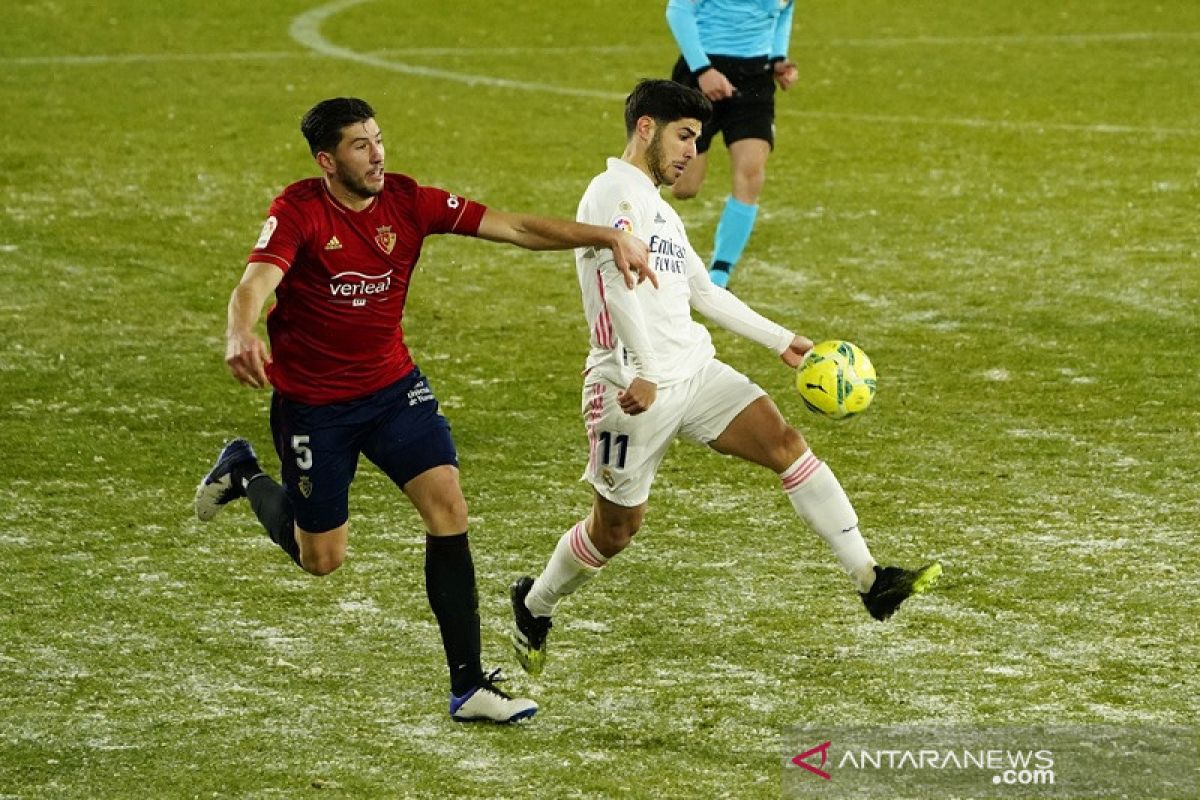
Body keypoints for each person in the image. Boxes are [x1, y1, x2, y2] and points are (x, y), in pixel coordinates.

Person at [193, 97, 656, 724]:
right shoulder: (298, 210)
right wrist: (239, 332)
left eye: (379, 139)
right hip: (315, 408)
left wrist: (608, 236)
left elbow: (515, 228)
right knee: (320, 558)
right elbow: (254, 284)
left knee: (448, 505)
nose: (378, 154)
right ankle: (245, 474)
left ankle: (469, 686)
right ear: (327, 160)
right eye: (361, 145)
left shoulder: (409, 202)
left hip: (392, 390)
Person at [509, 80, 940, 678]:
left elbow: (703, 292)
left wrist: (781, 340)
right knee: (616, 531)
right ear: (645, 128)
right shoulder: (614, 192)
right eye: (684, 136)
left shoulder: (661, 211)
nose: (691, 152)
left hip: (691, 370)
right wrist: (649, 372)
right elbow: (616, 284)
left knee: (785, 443)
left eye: (698, 139)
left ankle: (871, 579)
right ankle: (535, 604)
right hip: (629, 391)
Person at [665, 0, 800, 290]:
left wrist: (778, 58)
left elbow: (784, 10)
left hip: (755, 80)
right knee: (683, 186)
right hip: (701, 71)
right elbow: (678, 10)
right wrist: (703, 70)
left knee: (751, 171)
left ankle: (719, 276)